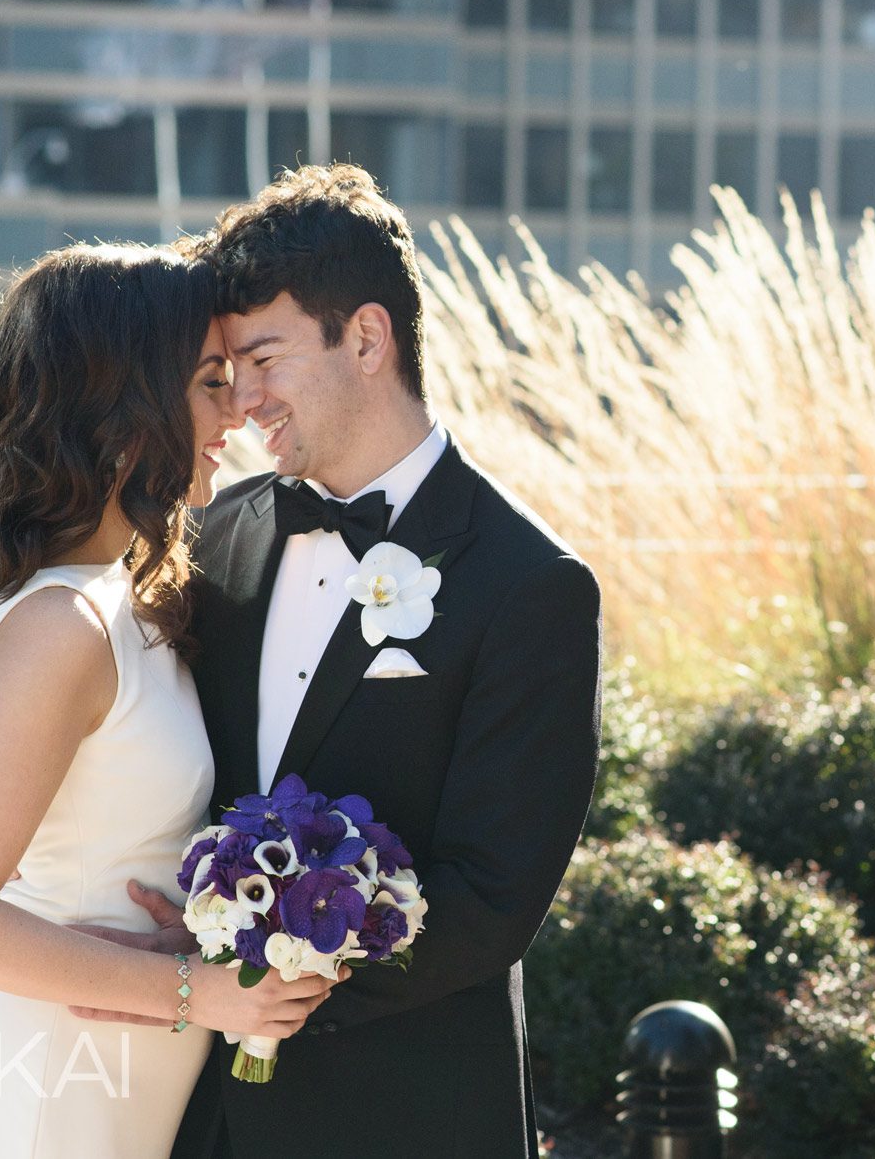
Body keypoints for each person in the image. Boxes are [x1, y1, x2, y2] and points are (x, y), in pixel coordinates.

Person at [71, 165, 604, 1157]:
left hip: (408, 1114)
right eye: (225, 371)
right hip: (200, 1112)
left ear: (365, 337)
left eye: (264, 358)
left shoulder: (529, 584)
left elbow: (491, 901)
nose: (244, 401)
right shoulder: (214, 537)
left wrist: (267, 984)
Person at [0, 244, 343, 1159]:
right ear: (126, 401)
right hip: (33, 1103)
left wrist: (193, 948)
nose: (238, 411)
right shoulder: (61, 625)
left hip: (104, 1097)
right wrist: (202, 993)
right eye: (211, 381)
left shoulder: (119, 598)